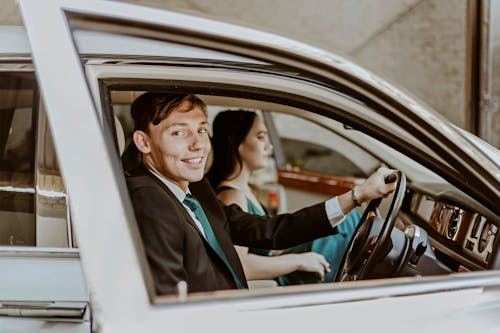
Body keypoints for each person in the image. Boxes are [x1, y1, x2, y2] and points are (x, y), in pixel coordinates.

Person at [126, 92, 397, 295]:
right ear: (144, 142)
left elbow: (270, 231)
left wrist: (359, 195)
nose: (198, 144)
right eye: (179, 133)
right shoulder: (149, 199)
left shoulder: (194, 188)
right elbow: (170, 301)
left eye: (201, 130)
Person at [206, 110, 360, 284]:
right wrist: (300, 260)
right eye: (261, 137)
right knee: (350, 221)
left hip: (281, 263)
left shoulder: (245, 190)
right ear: (238, 144)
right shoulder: (232, 196)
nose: (269, 147)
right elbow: (241, 265)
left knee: (349, 221)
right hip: (280, 278)